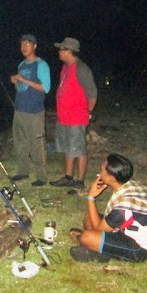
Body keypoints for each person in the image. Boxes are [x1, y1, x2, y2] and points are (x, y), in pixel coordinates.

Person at [69, 153, 147, 262]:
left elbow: (98, 228)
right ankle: (100, 248)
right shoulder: (132, 184)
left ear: (111, 177)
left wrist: (91, 197)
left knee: (87, 237)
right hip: (129, 229)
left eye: (102, 171)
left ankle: (99, 251)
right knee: (88, 218)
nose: (99, 174)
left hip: (138, 248)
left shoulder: (122, 208)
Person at [49, 37, 98, 190]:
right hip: (64, 117)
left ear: (68, 51)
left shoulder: (82, 69)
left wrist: (88, 113)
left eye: (61, 49)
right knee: (68, 148)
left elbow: (92, 93)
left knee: (79, 149)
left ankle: (80, 181)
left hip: (77, 117)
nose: (59, 52)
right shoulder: (66, 67)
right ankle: (68, 177)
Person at [10, 34, 51, 186]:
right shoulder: (21, 65)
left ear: (34, 46)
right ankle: (23, 171)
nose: (24, 47)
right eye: (22, 45)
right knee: (20, 143)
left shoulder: (41, 65)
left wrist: (25, 80)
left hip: (34, 112)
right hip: (19, 109)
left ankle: (41, 176)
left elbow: (45, 88)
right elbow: (21, 87)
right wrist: (15, 81)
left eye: (27, 44)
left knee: (36, 144)